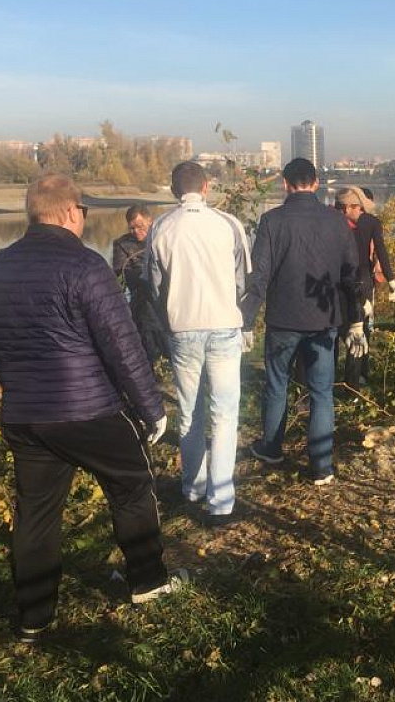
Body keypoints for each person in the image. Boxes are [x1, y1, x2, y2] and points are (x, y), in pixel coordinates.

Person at [0, 173, 173, 644]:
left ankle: (34, 617)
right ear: (70, 212)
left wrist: (18, 387)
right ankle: (147, 581)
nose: (83, 218)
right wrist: (151, 408)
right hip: (89, 410)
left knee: (37, 514)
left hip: (26, 416)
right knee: (131, 485)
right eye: (83, 211)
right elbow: (122, 345)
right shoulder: (85, 266)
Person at [241, 158, 367, 485]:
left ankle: (271, 449)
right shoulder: (337, 222)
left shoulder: (270, 221)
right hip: (324, 320)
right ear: (315, 183)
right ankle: (322, 467)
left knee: (277, 385)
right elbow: (351, 275)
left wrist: (246, 321)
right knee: (322, 392)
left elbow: (259, 277)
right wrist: (354, 321)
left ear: (285, 184)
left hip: (283, 319)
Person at [147, 162, 250, 525]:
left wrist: (170, 317)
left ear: (174, 190)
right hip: (223, 325)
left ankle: (192, 488)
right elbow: (242, 281)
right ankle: (221, 500)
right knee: (225, 413)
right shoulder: (228, 224)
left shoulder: (161, 227)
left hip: (182, 327)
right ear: (207, 187)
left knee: (190, 411)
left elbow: (155, 285)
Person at [333, 187, 395, 388]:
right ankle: (355, 379)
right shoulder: (372, 223)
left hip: (339, 279)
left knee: (337, 328)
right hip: (362, 280)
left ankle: (331, 376)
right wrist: (391, 281)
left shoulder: (336, 223)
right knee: (361, 328)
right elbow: (381, 251)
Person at [112, 205, 167, 366]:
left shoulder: (162, 237)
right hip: (140, 296)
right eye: (132, 228)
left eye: (140, 226)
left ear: (150, 221)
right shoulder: (122, 244)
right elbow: (121, 271)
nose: (136, 231)